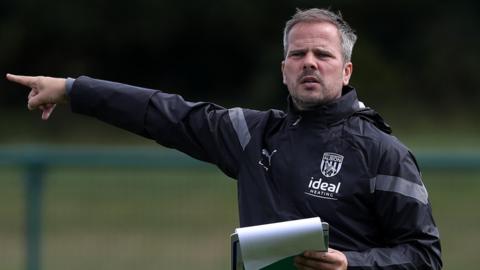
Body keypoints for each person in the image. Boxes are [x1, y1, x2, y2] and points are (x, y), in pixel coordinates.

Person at [6, 8, 442, 270]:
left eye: (323, 55)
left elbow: (425, 257)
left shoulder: (383, 152)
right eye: (298, 54)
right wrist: (73, 90)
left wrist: (353, 264)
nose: (310, 63)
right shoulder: (251, 133)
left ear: (346, 71)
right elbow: (163, 112)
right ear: (284, 69)